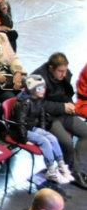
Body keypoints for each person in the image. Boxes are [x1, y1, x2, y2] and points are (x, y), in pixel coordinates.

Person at [33, 53, 87, 190]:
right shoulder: (38, 79)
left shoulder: (65, 75)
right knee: (67, 142)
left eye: (65, 70)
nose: (64, 74)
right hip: (46, 117)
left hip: (63, 113)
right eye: (60, 71)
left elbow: (66, 94)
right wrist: (63, 106)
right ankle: (66, 169)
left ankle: (77, 170)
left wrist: (69, 105)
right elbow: (38, 104)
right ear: (51, 68)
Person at [11, 75, 74, 184]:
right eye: (40, 88)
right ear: (32, 89)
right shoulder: (24, 103)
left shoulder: (38, 101)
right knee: (44, 141)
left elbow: (42, 117)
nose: (43, 90)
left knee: (52, 138)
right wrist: (24, 139)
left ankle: (61, 164)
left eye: (44, 87)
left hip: (31, 128)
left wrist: (43, 130)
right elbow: (19, 123)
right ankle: (50, 170)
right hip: (20, 131)